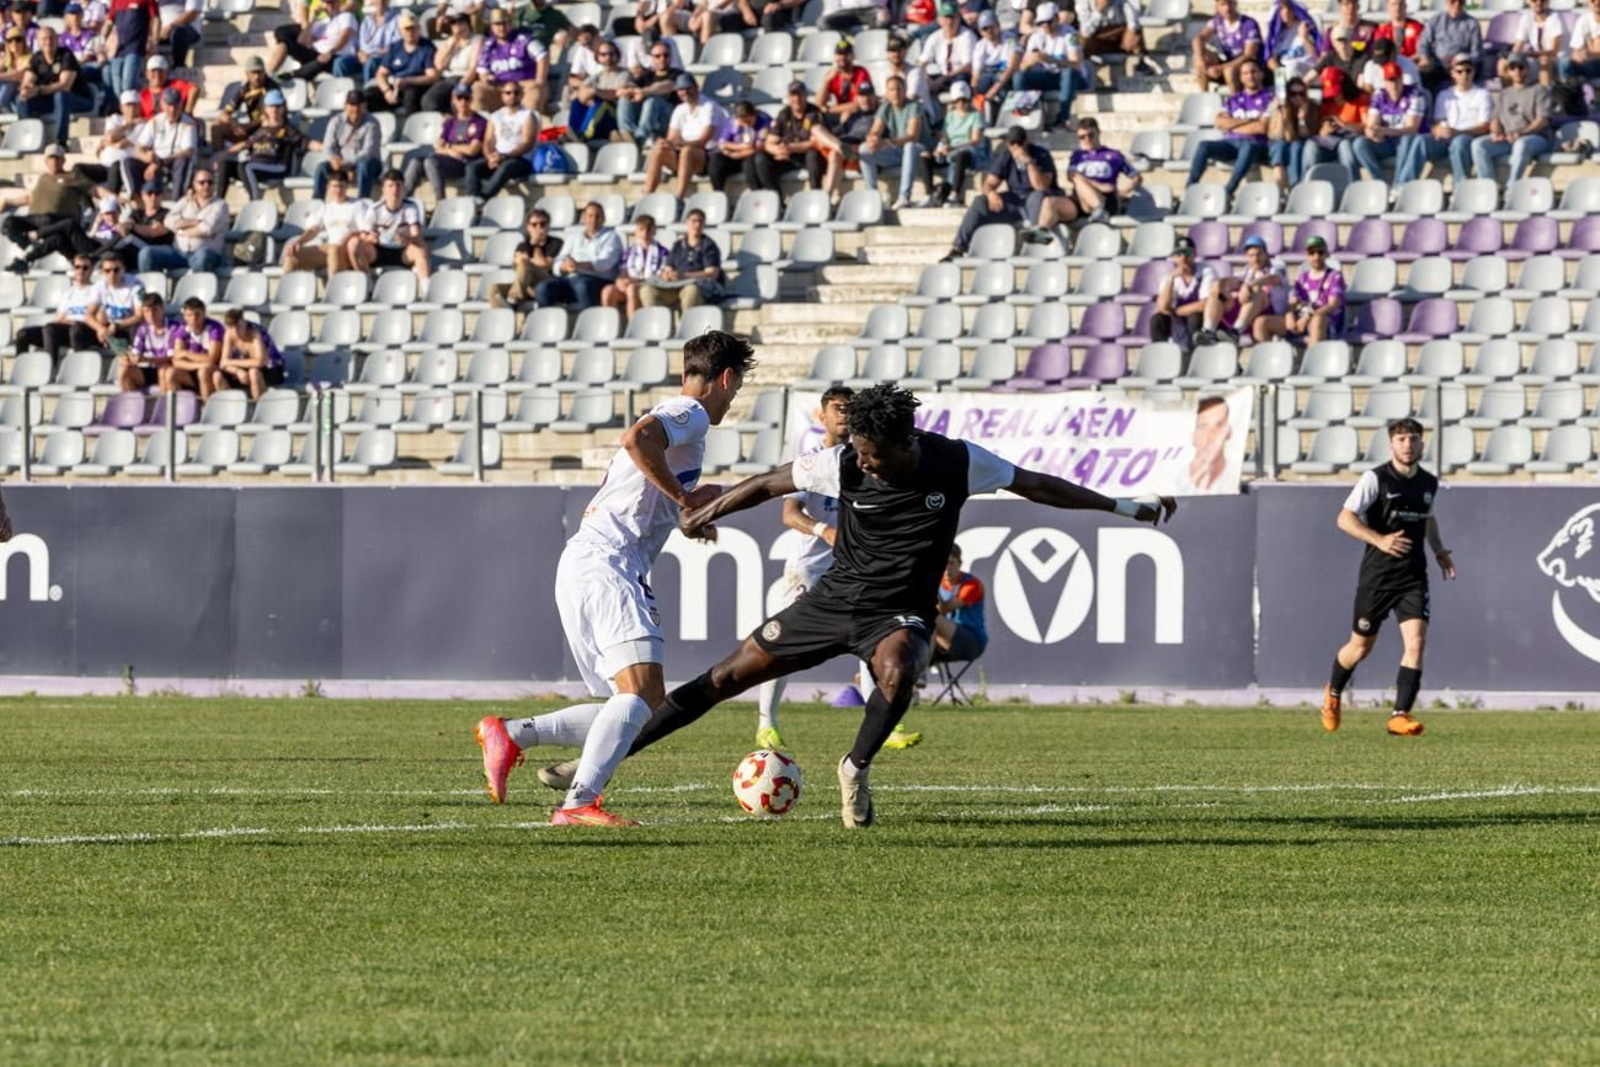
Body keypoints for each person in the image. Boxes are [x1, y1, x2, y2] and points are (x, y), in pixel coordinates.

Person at [500, 384, 1176, 828]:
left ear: (905, 444)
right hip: (832, 600)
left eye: (874, 455)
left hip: (897, 610)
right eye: (859, 452)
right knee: (720, 679)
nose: (864, 463)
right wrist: (706, 510)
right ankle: (603, 762)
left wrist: (1126, 507)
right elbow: (768, 483)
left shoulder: (958, 461)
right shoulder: (844, 461)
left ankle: (855, 767)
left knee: (901, 666)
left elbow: (1040, 485)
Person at [473, 331, 756, 827]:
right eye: (736, 388)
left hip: (588, 561)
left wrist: (689, 510)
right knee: (641, 694)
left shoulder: (679, 421)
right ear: (727, 378)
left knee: (637, 701)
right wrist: (687, 499)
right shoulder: (689, 413)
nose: (732, 401)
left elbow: (647, 483)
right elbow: (637, 439)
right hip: (609, 563)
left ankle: (514, 734)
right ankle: (578, 804)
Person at [747, 387, 902, 752]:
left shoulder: (865, 462)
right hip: (809, 570)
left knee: (873, 641)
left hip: (854, 569)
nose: (844, 414)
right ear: (822, 416)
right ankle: (766, 723)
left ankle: (884, 725)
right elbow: (789, 514)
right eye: (837, 408)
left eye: (850, 409)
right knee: (781, 643)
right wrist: (824, 530)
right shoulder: (810, 462)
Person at [1321, 417, 1456, 737]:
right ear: (1391, 444)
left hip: (1413, 576)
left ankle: (1399, 715)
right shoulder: (1376, 478)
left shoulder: (1428, 482)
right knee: (1360, 648)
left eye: (1413, 439)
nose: (1408, 445)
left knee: (1416, 642)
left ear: (1422, 444)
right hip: (1378, 577)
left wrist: (1438, 549)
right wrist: (1379, 539)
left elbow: (1427, 519)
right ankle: (1333, 692)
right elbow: (1344, 518)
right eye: (1401, 440)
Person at [940, 125, 1062, 262]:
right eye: (1012, 143)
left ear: (1026, 142)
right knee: (980, 202)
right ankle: (958, 248)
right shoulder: (1006, 156)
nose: (1015, 147)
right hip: (1016, 200)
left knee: (1037, 196)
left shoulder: (1041, 154)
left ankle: (1035, 247)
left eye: (1019, 143)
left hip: (1039, 200)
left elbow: (1041, 186)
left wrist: (1029, 163)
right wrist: (991, 193)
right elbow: (988, 184)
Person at [1393, 53, 1490, 187]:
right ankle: (1403, 186)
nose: (1464, 75)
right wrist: (1438, 130)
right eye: (1460, 71)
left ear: (1473, 72)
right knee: (1421, 141)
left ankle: (1461, 187)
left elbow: (1484, 127)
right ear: (1452, 73)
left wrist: (1457, 132)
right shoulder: (1444, 95)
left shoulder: (1482, 95)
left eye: (1468, 70)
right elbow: (1437, 123)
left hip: (1468, 137)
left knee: (1459, 142)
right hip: (1446, 138)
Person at [3, 145, 102, 272]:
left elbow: (96, 190)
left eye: (57, 158)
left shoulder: (72, 176)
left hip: (59, 227)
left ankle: (26, 257)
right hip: (41, 224)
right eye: (51, 158)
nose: (54, 161)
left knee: (53, 227)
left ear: (63, 160)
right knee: (8, 223)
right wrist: (8, 201)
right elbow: (30, 198)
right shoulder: (43, 177)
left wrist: (115, 199)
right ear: (46, 160)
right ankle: (26, 246)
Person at [1186, 56, 1274, 197]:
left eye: (1253, 72)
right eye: (1245, 73)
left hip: (1257, 145)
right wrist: (1249, 120)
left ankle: (1228, 191)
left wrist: (1232, 125)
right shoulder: (1234, 99)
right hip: (1231, 143)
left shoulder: (1270, 98)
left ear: (1261, 74)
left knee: (1248, 147)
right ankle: (1189, 189)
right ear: (1241, 77)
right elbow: (1219, 122)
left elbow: (1262, 128)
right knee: (1204, 145)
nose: (1250, 76)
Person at [1470, 55, 1553, 183]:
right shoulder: (1504, 94)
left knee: (1521, 144)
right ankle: (1488, 186)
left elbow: (1542, 120)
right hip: (1509, 138)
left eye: (1521, 67)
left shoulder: (1539, 90)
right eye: (1513, 68)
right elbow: (1495, 119)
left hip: (1536, 138)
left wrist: (1522, 133)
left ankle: (1513, 187)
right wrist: (1497, 133)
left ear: (1528, 69)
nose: (1517, 71)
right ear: (1508, 71)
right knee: (1478, 145)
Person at [757, 81, 842, 202]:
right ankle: (776, 200)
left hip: (808, 155)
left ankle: (816, 195)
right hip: (788, 156)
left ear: (805, 96)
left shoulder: (814, 112)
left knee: (813, 154)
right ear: (788, 97)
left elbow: (816, 142)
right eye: (793, 95)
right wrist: (778, 150)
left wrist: (791, 147)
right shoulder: (784, 114)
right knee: (760, 159)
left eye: (800, 95)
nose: (796, 99)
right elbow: (770, 142)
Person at [643, 73, 724, 198]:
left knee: (687, 151)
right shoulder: (679, 109)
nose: (685, 92)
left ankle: (679, 197)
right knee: (659, 149)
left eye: (688, 88)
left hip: (709, 156)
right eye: (681, 89)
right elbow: (672, 137)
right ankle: (647, 195)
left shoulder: (709, 106)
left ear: (696, 88)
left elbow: (703, 141)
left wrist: (680, 144)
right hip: (685, 154)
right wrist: (666, 143)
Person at [1013, 1, 1090, 131]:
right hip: (1048, 76)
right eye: (1042, 23)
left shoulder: (1070, 35)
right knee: (1019, 77)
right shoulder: (1036, 36)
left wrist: (1052, 60)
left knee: (1068, 73)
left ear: (1057, 18)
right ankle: (1024, 115)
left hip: (1072, 79)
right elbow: (1022, 67)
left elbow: (1077, 65)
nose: (1046, 26)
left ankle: (1062, 118)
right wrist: (1030, 63)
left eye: (1049, 22)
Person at [1344, 60, 1424, 183]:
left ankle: (1399, 184)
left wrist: (1384, 131)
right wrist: (1372, 133)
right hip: (1386, 141)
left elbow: (1411, 128)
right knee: (1359, 144)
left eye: (1396, 80)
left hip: (1406, 141)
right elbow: (1371, 124)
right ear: (1384, 82)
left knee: (1406, 139)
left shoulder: (1414, 94)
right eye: (1390, 81)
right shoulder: (1379, 95)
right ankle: (1379, 181)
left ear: (1402, 79)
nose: (1393, 84)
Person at [216, 89, 304, 200]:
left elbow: (307, 142)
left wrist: (322, 148)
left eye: (278, 106)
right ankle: (218, 202)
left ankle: (255, 201)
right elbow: (246, 143)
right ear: (265, 109)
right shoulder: (261, 130)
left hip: (276, 167)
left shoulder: (288, 129)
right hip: (257, 166)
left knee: (245, 166)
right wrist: (225, 153)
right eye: (271, 106)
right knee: (226, 164)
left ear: (283, 108)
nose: (274, 110)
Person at [534, 200, 622, 311]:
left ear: (603, 219)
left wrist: (579, 265)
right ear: (584, 218)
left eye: (598, 216)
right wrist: (565, 267)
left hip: (597, 280)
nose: (593, 220)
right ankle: (547, 320)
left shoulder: (611, 237)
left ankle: (589, 320)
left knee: (582, 286)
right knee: (543, 288)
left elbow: (604, 263)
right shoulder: (574, 238)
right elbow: (558, 262)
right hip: (571, 279)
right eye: (590, 216)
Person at [1255, 234, 1343, 343]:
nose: (1316, 257)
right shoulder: (1302, 277)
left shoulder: (1334, 276)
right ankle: (1268, 354)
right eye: (1311, 253)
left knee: (1317, 320)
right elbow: (1292, 302)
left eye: (1320, 252)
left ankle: (1312, 354)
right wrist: (1289, 315)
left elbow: (1333, 305)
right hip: (1301, 318)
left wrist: (1308, 316)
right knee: (1261, 323)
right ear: (1307, 255)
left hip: (1325, 321)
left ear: (1326, 254)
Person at [136, 165, 225, 273]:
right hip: (178, 253)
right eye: (202, 182)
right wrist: (196, 222)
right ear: (194, 184)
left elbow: (206, 228)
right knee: (147, 253)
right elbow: (168, 221)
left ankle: (195, 284)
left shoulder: (220, 205)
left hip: (205, 253)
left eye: (210, 182)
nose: (206, 185)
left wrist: (180, 230)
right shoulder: (185, 201)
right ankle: (149, 284)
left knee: (203, 256)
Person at [17, 26, 95, 146]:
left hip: (79, 99)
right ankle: (30, 140)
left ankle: (61, 142)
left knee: (61, 96)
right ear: (38, 42)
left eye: (51, 38)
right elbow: (27, 80)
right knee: (22, 101)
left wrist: (38, 90)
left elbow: (65, 86)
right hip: (52, 100)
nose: (48, 42)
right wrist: (25, 90)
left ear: (57, 40)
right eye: (44, 39)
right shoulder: (37, 58)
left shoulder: (66, 56)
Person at [16, 254, 101, 363]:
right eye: (77, 267)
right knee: (23, 334)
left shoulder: (96, 291)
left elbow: (99, 318)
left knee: (54, 329)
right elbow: (59, 318)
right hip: (65, 330)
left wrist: (74, 320)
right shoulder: (68, 292)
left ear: (91, 270)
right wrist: (68, 320)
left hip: (84, 331)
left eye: (85, 268)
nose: (81, 271)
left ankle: (50, 367)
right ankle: (21, 368)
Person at [348, 168, 429, 283]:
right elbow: (363, 236)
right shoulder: (375, 210)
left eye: (398, 185)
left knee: (420, 250)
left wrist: (407, 238)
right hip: (378, 251)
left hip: (402, 251)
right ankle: (366, 282)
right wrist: (371, 238)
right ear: (383, 189)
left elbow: (416, 233)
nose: (395, 190)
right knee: (353, 244)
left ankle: (426, 286)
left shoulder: (410, 207)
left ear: (403, 188)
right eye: (390, 186)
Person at [1200, 234, 1283, 345]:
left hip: (1270, 313)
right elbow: (1236, 282)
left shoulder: (1276, 266)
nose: (1255, 259)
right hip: (1248, 312)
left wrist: (1248, 285)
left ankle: (1236, 332)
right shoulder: (1247, 270)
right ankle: (1208, 331)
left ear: (1266, 254)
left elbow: (1274, 279)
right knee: (1217, 292)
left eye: (1259, 254)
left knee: (1256, 290)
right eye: (1251, 255)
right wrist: (1219, 284)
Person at [859, 74, 927, 209]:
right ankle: (873, 195)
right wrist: (872, 139)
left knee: (909, 146)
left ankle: (904, 196)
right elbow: (875, 129)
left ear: (905, 90)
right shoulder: (885, 107)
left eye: (898, 89)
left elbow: (913, 136)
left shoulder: (914, 106)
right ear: (887, 92)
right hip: (897, 151)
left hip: (919, 151)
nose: (895, 93)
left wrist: (888, 142)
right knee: (864, 149)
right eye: (891, 90)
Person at [409, 82, 485, 199]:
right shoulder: (450, 122)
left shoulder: (480, 122)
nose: (463, 102)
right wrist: (450, 151)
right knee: (416, 162)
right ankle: (403, 198)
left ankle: (441, 200)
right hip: (448, 159)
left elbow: (472, 150)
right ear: (454, 100)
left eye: (466, 98)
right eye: (459, 98)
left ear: (471, 100)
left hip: (464, 162)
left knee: (431, 162)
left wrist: (449, 147)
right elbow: (438, 146)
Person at [639, 206, 723, 312]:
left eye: (700, 221)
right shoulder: (678, 246)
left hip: (699, 287)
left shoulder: (709, 246)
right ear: (687, 223)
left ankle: (687, 322)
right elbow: (668, 268)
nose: (697, 225)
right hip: (675, 286)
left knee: (691, 290)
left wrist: (684, 275)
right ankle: (659, 321)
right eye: (694, 221)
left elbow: (712, 274)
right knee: (647, 291)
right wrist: (667, 275)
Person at [919, 79, 987, 207]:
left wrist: (953, 147)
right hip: (950, 150)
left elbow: (975, 140)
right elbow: (945, 137)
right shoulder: (950, 116)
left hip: (968, 151)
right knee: (925, 156)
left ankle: (954, 194)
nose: (960, 104)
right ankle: (930, 193)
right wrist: (939, 148)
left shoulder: (976, 115)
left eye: (963, 100)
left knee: (961, 156)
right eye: (957, 101)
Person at [283, 165, 362, 275]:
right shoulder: (326, 208)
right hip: (331, 248)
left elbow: (364, 231)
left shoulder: (357, 205)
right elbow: (314, 229)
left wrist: (348, 237)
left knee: (334, 250)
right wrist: (298, 242)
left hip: (348, 250)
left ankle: (333, 285)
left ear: (347, 186)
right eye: (335, 186)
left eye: (341, 186)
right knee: (292, 256)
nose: (338, 190)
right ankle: (285, 285)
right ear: (328, 187)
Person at [467, 7, 546, 113]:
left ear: (510, 24)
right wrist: (487, 78)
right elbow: (482, 71)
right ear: (491, 26)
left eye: (505, 23)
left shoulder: (524, 39)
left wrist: (539, 80)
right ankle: (481, 120)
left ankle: (529, 120)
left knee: (535, 91)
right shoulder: (488, 45)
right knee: (477, 88)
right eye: (497, 24)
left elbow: (542, 56)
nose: (501, 28)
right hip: (500, 87)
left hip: (524, 85)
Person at [465, 80, 536, 198]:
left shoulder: (528, 115)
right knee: (472, 167)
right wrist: (490, 157)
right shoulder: (496, 116)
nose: (512, 95)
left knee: (506, 166)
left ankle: (482, 199)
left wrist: (505, 157)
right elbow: (487, 142)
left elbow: (527, 143)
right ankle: (472, 198)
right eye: (508, 93)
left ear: (522, 95)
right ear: (502, 96)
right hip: (498, 158)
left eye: (516, 92)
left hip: (520, 160)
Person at [122, 86, 197, 197]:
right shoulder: (156, 121)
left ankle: (177, 199)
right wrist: (145, 156)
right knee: (128, 162)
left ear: (181, 105)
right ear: (163, 105)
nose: (172, 110)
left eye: (175, 105)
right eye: (169, 105)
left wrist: (159, 163)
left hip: (173, 162)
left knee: (182, 161)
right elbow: (140, 147)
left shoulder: (189, 124)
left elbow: (188, 151)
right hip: (156, 161)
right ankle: (135, 198)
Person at [363, 11, 436, 119]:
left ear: (419, 29)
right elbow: (381, 73)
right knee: (367, 95)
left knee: (411, 96)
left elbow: (432, 76)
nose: (410, 32)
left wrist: (408, 81)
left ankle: (411, 126)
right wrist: (387, 91)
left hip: (416, 85)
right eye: (407, 29)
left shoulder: (427, 47)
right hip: (395, 86)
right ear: (401, 31)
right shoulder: (395, 47)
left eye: (413, 28)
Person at [311, 90, 383, 199]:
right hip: (340, 163)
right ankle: (316, 203)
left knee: (364, 164)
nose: (355, 109)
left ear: (364, 105)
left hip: (367, 164)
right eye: (351, 105)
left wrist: (346, 165)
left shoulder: (372, 123)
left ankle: (363, 201)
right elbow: (328, 147)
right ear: (345, 106)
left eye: (358, 105)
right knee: (321, 168)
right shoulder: (335, 121)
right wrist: (336, 161)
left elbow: (369, 151)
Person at [488, 207, 561, 310]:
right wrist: (524, 262)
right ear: (528, 227)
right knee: (494, 289)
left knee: (525, 264)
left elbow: (546, 264)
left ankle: (514, 300)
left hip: (547, 284)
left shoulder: (556, 243)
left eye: (542, 224)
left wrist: (536, 245)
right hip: (526, 287)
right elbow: (516, 265)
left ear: (548, 226)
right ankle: (504, 315)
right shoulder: (522, 245)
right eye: (534, 224)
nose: (538, 227)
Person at [1150, 238, 1216, 350]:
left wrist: (1175, 311)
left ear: (1194, 254)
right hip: (1177, 323)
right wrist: (1170, 279)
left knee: (1195, 317)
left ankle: (1199, 353)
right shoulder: (1169, 277)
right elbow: (1162, 307)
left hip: (1198, 321)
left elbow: (1205, 304)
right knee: (1157, 320)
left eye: (1187, 253)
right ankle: (1159, 353)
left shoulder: (1206, 272)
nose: (1183, 258)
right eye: (1179, 254)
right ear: (1174, 257)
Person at [268, 0, 359, 80]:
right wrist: (312, 20)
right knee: (286, 37)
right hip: (316, 54)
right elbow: (302, 42)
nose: (330, 6)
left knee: (322, 60)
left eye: (332, 2)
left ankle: (293, 75)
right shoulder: (322, 23)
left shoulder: (346, 17)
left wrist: (331, 52)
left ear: (339, 2)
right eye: (327, 3)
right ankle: (269, 73)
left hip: (335, 55)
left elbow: (344, 37)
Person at [603, 213, 669, 320]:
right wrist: (620, 281)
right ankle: (611, 324)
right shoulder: (629, 251)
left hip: (648, 286)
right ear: (636, 231)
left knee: (631, 289)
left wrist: (635, 282)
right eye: (641, 229)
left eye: (648, 230)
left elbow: (660, 276)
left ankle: (633, 325)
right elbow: (623, 272)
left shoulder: (663, 252)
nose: (645, 233)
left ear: (654, 231)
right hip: (631, 283)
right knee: (607, 291)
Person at [616, 35, 680, 143]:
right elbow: (622, 90)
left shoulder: (678, 74)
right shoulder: (647, 75)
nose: (662, 59)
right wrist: (629, 91)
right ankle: (627, 134)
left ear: (670, 56)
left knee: (652, 101)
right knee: (624, 100)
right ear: (651, 58)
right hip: (648, 117)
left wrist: (643, 92)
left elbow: (667, 86)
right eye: (657, 56)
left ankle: (641, 137)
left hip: (669, 118)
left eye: (666, 55)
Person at [209, 56, 280, 152]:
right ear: (247, 74)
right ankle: (218, 158)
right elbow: (225, 113)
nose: (257, 77)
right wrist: (234, 123)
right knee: (216, 128)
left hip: (266, 130)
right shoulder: (244, 90)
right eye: (253, 73)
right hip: (250, 130)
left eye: (259, 72)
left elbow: (267, 117)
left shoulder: (272, 89)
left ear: (264, 72)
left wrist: (245, 128)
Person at [934, 544, 986, 669]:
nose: (947, 568)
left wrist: (929, 583)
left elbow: (945, 609)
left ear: (960, 563)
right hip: (941, 641)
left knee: (929, 617)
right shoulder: (938, 582)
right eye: (943, 563)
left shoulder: (972, 584)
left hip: (971, 642)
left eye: (951, 563)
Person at [212, 308, 285, 398]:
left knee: (253, 373)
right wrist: (237, 371)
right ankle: (231, 404)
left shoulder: (255, 333)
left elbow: (259, 362)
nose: (235, 332)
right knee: (217, 376)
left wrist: (231, 362)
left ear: (243, 321)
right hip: (244, 368)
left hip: (271, 368)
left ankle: (258, 405)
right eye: (231, 327)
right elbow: (223, 364)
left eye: (238, 326)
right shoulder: (229, 333)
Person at [1193, 0, 1262, 93]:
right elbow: (1198, 39)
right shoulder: (1217, 21)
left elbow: (1249, 54)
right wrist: (1200, 58)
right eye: (1223, 4)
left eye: (1230, 3)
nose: (1227, 8)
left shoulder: (1248, 23)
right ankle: (1204, 94)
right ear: (1217, 6)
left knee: (1229, 71)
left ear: (1235, 3)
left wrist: (1220, 68)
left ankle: (1236, 99)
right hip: (1229, 60)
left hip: (1247, 63)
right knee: (1200, 58)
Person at [116, 290, 177, 392]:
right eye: (147, 311)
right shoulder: (143, 329)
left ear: (162, 309)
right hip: (149, 369)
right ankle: (130, 401)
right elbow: (136, 353)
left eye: (155, 310)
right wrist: (129, 358)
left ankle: (165, 402)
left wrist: (147, 359)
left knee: (164, 370)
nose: (151, 315)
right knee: (124, 369)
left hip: (167, 369)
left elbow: (171, 358)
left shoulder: (174, 328)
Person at [1078, 0, 1160, 75]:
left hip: (1120, 35)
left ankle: (1141, 62)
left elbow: (1133, 14)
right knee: (1079, 39)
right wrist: (1099, 10)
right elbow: (1085, 31)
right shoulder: (1083, 2)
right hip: (1097, 38)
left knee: (1135, 30)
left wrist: (1132, 29)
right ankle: (1081, 71)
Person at [1415, 0, 1481, 92]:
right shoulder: (1435, 21)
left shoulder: (1472, 23)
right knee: (1422, 68)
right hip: (1437, 66)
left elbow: (1477, 53)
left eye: (1461, 2)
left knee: (1464, 70)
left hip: (1460, 65)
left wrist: (1461, 59)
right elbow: (1423, 44)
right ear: (1446, 2)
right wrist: (1425, 57)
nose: (1457, 5)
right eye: (1453, 1)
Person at [164, 295, 224, 396]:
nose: (194, 319)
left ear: (204, 313)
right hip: (193, 368)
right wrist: (198, 365)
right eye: (189, 315)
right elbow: (176, 360)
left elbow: (211, 359)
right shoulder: (182, 329)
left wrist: (186, 354)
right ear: (184, 316)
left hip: (212, 371)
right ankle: (180, 405)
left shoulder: (214, 328)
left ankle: (206, 405)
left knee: (203, 372)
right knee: (170, 373)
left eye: (197, 314)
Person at [705, 100, 770, 193]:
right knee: (715, 160)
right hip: (735, 155)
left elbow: (757, 148)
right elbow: (722, 144)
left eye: (749, 122)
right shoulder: (732, 121)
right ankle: (718, 194)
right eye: (743, 122)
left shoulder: (764, 121)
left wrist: (734, 151)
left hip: (751, 156)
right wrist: (740, 148)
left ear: (754, 115)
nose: (746, 125)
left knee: (750, 164)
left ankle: (757, 193)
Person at [1174, 395, 1233, 494]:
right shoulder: (1175, 480)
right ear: (1193, 436)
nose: (1211, 435)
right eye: (1204, 427)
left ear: (1228, 432)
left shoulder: (1234, 478)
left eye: (1219, 425)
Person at [102, 0, 158, 104]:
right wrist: (101, 40)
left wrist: (154, 40)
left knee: (128, 83)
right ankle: (123, 107)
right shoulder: (116, 1)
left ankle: (135, 106)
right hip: (119, 49)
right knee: (115, 82)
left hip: (136, 47)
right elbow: (109, 22)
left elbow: (155, 19)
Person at [1268, 75, 1318, 188]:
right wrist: (1280, 114)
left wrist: (1301, 119)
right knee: (1280, 146)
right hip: (1282, 141)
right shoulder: (1281, 107)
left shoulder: (1312, 107)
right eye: (1293, 94)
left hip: (1302, 140)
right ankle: (1281, 188)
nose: (1297, 97)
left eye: (1301, 93)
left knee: (1296, 146)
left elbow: (1306, 134)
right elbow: (1278, 135)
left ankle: (1295, 186)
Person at [970, 11, 1020, 124]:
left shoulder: (1010, 39)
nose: (989, 31)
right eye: (985, 29)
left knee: (1002, 87)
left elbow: (1012, 67)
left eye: (991, 27)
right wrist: (975, 92)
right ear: (980, 32)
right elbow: (976, 75)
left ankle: (1007, 120)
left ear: (998, 26)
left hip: (1004, 75)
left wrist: (994, 90)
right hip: (988, 74)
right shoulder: (980, 46)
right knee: (979, 86)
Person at [1503, 0, 1563, 85]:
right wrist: (1511, 59)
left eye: (1542, 0)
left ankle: (1544, 92)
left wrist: (1527, 54)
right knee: (1504, 64)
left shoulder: (1555, 17)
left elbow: (1554, 51)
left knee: (1544, 61)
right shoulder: (1526, 18)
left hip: (1557, 59)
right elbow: (1517, 46)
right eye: (1534, 0)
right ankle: (1510, 91)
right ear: (1528, 2)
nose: (1539, 3)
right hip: (1535, 58)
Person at [88, 253, 142, 345]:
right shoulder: (99, 286)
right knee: (79, 329)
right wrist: (100, 328)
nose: (112, 274)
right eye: (107, 271)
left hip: (127, 325)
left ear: (123, 269)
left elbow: (139, 315)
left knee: (136, 328)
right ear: (102, 271)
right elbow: (88, 315)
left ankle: (135, 353)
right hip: (107, 326)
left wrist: (117, 325)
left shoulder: (136, 284)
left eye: (116, 270)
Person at [1264, 0, 1320, 86]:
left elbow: (1315, 55)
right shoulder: (1278, 33)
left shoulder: (1304, 26)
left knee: (1292, 67)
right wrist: (1278, 70)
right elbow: (1271, 58)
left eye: (1289, 9)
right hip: (1285, 70)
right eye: (1282, 9)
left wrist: (1305, 37)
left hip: (1306, 68)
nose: (1286, 12)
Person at [1560, 0, 1600, 85]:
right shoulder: (1583, 20)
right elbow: (1576, 53)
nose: (1597, 3)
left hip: (1592, 65)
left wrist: (1590, 52)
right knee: (1564, 64)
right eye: (1593, 0)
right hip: (1586, 64)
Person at [157, 0, 203, 69]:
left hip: (188, 29)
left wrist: (170, 27)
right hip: (162, 31)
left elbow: (191, 14)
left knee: (179, 32)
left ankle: (179, 68)